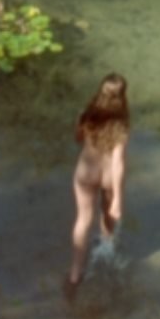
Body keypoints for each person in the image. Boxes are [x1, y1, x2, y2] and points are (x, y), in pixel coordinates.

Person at [66, 73, 129, 299]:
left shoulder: (86, 115)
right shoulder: (121, 125)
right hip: (108, 177)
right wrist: (118, 200)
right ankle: (106, 251)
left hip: (86, 173)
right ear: (123, 96)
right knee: (107, 214)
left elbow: (77, 138)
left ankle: (75, 274)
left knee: (83, 220)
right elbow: (118, 163)